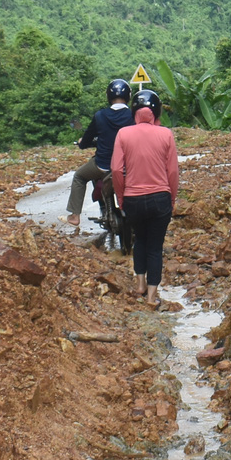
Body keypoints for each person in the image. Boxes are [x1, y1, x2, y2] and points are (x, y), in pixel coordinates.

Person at [108, 93, 179, 308]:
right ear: (156, 112)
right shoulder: (166, 134)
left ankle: (139, 284)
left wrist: (121, 196)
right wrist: (171, 198)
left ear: (133, 112)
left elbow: (116, 170)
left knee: (139, 240)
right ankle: (151, 296)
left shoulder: (123, 134)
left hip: (132, 198)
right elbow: (173, 171)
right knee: (155, 247)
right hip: (160, 198)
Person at [69, 79, 134, 239]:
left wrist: (81, 143)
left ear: (108, 96)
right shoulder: (134, 115)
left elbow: (86, 140)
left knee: (79, 176)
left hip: (103, 166)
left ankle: (75, 216)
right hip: (129, 166)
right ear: (128, 96)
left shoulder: (100, 116)